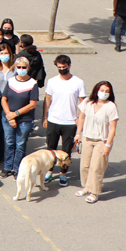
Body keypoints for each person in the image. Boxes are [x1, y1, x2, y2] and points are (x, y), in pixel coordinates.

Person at [43, 54, 87, 186]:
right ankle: (49, 171)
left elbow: (83, 103)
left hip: (70, 122)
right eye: (59, 67)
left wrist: (80, 119)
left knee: (66, 151)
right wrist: (45, 116)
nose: (62, 69)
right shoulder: (52, 81)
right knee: (51, 149)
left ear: (69, 66)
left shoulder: (78, 82)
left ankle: (63, 173)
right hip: (53, 120)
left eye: (64, 67)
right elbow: (47, 99)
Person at [75, 81, 118, 204]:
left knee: (96, 167)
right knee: (85, 165)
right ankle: (87, 187)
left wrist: (107, 145)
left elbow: (112, 128)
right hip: (87, 138)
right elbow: (81, 118)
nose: (104, 93)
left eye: (107, 91)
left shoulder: (111, 107)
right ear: (96, 90)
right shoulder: (88, 102)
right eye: (102, 90)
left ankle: (95, 192)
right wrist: (78, 134)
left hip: (101, 141)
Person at [0, 57, 40, 178]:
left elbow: (32, 104)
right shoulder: (11, 81)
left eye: (24, 67)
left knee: (20, 144)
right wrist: (9, 115)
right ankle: (7, 167)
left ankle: (18, 168)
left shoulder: (33, 83)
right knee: (9, 143)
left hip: (24, 120)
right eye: (19, 67)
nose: (21, 69)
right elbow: (4, 99)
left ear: (28, 68)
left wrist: (15, 114)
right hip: (8, 118)